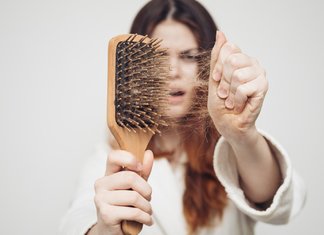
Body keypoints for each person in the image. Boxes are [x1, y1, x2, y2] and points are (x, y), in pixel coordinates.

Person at [59, 0, 306, 234]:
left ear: (208, 64)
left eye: (188, 56)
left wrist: (241, 134)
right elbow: (79, 219)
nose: (173, 71)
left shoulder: (231, 152)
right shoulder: (109, 160)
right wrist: (104, 229)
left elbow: (277, 201)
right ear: (135, 67)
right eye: (159, 57)